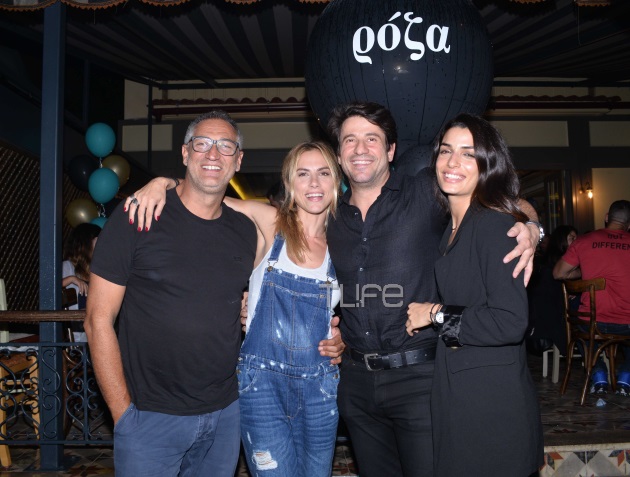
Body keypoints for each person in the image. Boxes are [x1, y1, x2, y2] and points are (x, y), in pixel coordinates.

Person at [128, 102, 540, 477]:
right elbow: (210, 197)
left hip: (419, 379)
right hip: (353, 384)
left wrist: (531, 228)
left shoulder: (425, 192)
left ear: (391, 150)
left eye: (371, 139)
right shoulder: (327, 220)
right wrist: (164, 182)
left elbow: (493, 195)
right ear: (340, 155)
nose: (360, 149)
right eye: (349, 140)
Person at [85, 110, 259, 477]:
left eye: (226, 146)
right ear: (185, 152)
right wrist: (123, 416)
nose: (213, 154)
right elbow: (97, 320)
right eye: (202, 144)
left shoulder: (246, 230)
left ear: (238, 160)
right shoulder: (136, 216)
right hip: (150, 418)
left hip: (225, 414)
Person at [405, 113, 543, 477]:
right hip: (461, 389)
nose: (453, 162)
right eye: (446, 150)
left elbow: (510, 322)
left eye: (468, 153)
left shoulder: (493, 224)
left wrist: (434, 314)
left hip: (491, 404)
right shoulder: (453, 227)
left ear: (487, 164)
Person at [235, 141, 343, 477]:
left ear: (336, 181)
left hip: (319, 388)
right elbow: (202, 198)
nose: (314, 183)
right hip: (261, 386)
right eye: (303, 174)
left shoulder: (344, 245)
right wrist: (162, 184)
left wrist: (344, 338)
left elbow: (362, 309)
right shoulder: (271, 223)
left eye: (323, 173)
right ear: (289, 183)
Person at [553, 199, 630, 395]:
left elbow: (558, 273)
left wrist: (585, 272)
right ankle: (626, 377)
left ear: (607, 217)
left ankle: (599, 375)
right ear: (629, 224)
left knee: (582, 328)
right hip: (627, 323)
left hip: (592, 323)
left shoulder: (584, 241)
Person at [527, 224, 578, 355]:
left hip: (552, 315)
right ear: (561, 240)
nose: (576, 241)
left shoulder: (551, 260)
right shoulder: (553, 264)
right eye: (572, 238)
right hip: (552, 317)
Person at [62, 222, 101, 310]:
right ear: (86, 244)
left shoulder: (98, 270)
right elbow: (51, 289)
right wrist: (71, 279)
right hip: (74, 318)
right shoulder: (67, 266)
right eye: (98, 241)